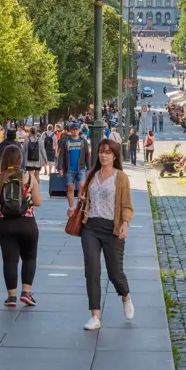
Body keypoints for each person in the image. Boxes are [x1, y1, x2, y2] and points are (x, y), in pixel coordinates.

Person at [81, 138, 134, 331]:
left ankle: (125, 295)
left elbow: (127, 206)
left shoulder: (121, 178)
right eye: (101, 152)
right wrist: (74, 209)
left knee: (115, 273)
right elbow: (84, 202)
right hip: (91, 228)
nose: (104, 155)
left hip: (112, 229)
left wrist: (125, 224)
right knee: (92, 270)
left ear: (114, 156)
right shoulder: (91, 176)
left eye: (108, 152)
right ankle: (95, 315)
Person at [0, 144, 42, 307]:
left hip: (5, 224)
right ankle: (26, 293)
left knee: (9, 260)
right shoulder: (28, 177)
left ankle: (11, 296)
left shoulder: (0, 178)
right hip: (27, 222)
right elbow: (39, 202)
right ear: (20, 159)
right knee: (29, 257)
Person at [57, 123, 91, 211]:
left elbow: (87, 155)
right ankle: (72, 207)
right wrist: (60, 168)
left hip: (81, 168)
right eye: (73, 129)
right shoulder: (66, 142)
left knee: (82, 187)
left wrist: (89, 168)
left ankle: (80, 207)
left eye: (76, 129)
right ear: (70, 130)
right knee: (70, 188)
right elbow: (61, 155)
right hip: (69, 169)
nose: (75, 131)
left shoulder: (83, 142)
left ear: (79, 130)